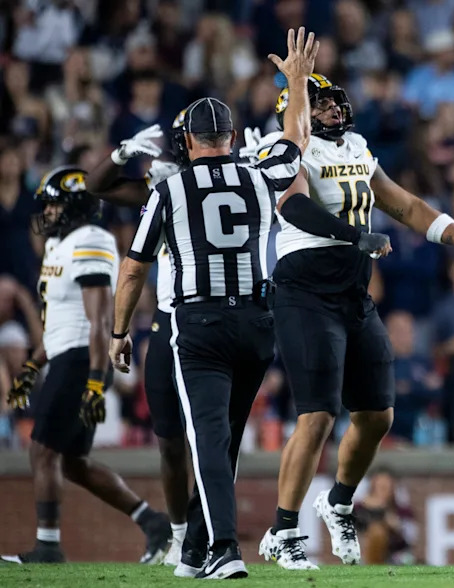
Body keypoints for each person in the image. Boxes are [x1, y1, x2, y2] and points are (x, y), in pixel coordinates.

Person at [253, 71, 454, 569]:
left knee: (378, 414)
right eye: (320, 104)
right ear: (295, 110)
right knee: (317, 415)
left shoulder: (357, 147)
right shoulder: (284, 148)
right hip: (305, 293)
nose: (334, 110)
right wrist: (355, 236)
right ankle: (284, 530)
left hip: (352, 294)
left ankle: (338, 501)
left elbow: (405, 205)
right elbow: (293, 206)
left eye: (335, 101)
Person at [109, 27, 316, 579]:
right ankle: (197, 549)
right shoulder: (259, 175)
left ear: (189, 140)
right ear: (231, 136)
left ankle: (224, 547)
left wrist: (118, 332)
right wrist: (297, 83)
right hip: (256, 320)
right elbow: (296, 137)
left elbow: (134, 268)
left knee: (209, 436)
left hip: (198, 322)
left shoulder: (169, 190)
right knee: (225, 439)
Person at [2, 167, 171, 565]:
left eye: (54, 204)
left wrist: (95, 381)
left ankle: (48, 546)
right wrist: (32, 366)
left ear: (76, 205)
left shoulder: (91, 239)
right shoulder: (58, 245)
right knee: (72, 463)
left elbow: (98, 321)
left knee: (42, 450)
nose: (47, 211)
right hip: (68, 355)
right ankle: (153, 522)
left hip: (82, 360)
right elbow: (62, 323)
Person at [85, 117, 187, 567]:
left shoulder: (237, 176)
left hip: (219, 315)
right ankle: (181, 534)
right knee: (170, 440)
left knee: (213, 438)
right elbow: (97, 186)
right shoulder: (164, 185)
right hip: (171, 317)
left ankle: (208, 534)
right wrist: (120, 155)